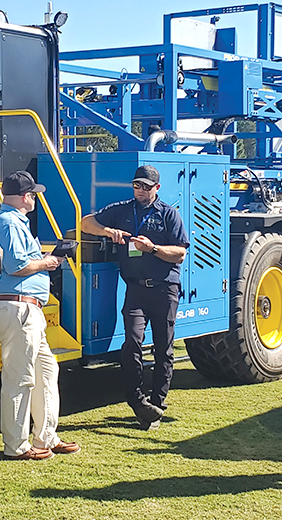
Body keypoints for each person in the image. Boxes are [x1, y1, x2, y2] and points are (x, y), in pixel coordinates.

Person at [81, 165, 189, 430]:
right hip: (135, 289)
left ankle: (158, 404)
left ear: (157, 189)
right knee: (132, 344)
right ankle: (137, 399)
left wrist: (151, 248)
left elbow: (180, 253)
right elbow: (86, 222)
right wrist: (108, 232)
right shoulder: (123, 209)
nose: (140, 191)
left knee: (164, 349)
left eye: (146, 187)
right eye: (136, 186)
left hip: (165, 288)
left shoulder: (168, 215)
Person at [0, 170, 81, 460]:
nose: (36, 200)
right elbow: (16, 266)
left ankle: (46, 437)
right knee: (20, 376)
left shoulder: (10, 222)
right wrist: (47, 262)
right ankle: (16, 446)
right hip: (18, 307)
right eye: (34, 195)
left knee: (46, 370)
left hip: (25, 308)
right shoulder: (9, 223)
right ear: (27, 196)